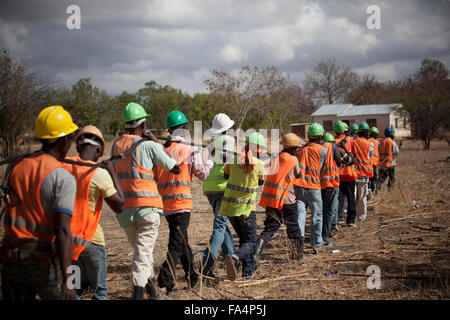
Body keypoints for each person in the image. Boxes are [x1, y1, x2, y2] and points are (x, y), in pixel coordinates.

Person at [0, 106, 78, 300]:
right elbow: (62, 231)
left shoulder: (15, 167)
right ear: (64, 140)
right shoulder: (61, 176)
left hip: (11, 262)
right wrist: (69, 282)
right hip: (41, 264)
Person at [111, 102, 180, 300]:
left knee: (143, 254)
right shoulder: (149, 145)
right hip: (147, 209)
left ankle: (155, 294)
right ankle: (138, 295)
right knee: (142, 257)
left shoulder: (116, 145)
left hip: (125, 212)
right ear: (143, 126)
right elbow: (174, 167)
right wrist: (157, 144)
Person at [62, 125, 124, 300]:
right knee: (100, 292)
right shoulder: (99, 174)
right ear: (98, 149)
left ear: (79, 146)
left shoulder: (64, 166)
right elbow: (119, 205)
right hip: (91, 242)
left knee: (74, 291)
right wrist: (112, 173)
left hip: (67, 242)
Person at [156, 111, 212, 294]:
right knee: (176, 244)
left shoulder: (162, 149)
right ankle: (164, 280)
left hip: (166, 205)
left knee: (182, 243)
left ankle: (192, 277)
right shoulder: (189, 149)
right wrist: (210, 160)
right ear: (185, 128)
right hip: (181, 204)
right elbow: (202, 175)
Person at [221, 132, 266, 281]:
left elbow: (225, 176)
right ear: (259, 149)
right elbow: (261, 182)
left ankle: (248, 273)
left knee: (244, 240)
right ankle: (235, 257)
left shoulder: (233, 160)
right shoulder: (259, 164)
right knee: (251, 243)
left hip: (231, 210)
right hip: (247, 210)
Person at [254, 133, 304, 265]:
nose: (297, 150)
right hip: (287, 201)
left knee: (269, 229)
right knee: (294, 228)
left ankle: (256, 255)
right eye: (296, 148)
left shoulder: (275, 157)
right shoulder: (293, 160)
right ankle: (298, 256)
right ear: (292, 148)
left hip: (272, 202)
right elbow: (298, 175)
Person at [201, 113, 236, 279]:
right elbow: (228, 162)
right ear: (228, 128)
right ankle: (206, 264)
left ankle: (231, 258)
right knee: (220, 226)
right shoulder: (229, 141)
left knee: (223, 224)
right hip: (222, 188)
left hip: (209, 188)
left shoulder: (214, 143)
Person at [294, 123, 328, 253]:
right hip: (314, 187)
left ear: (309, 136)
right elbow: (322, 167)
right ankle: (317, 243)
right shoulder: (322, 150)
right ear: (321, 136)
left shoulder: (300, 150)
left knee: (300, 216)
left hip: (299, 187)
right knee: (316, 216)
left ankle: (299, 242)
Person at [334, 121, 358, 227]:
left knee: (338, 199)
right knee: (351, 197)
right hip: (349, 174)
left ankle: (336, 219)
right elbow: (354, 156)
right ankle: (351, 220)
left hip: (337, 175)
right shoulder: (350, 140)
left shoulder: (333, 142)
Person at [320, 133, 342, 247]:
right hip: (332, 183)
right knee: (329, 211)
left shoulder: (320, 147)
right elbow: (339, 161)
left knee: (322, 210)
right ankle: (325, 237)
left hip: (321, 184)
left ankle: (320, 235)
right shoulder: (332, 146)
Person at [352, 122, 374, 222]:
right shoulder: (370, 144)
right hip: (364, 173)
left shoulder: (353, 142)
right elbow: (369, 156)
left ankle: (350, 214)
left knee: (352, 194)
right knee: (362, 196)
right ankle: (361, 216)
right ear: (366, 133)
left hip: (353, 173)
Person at [368, 127, 380, 194]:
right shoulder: (377, 143)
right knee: (373, 180)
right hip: (374, 164)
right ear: (375, 134)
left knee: (367, 180)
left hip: (366, 164)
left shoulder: (367, 141)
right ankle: (371, 193)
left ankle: (367, 192)